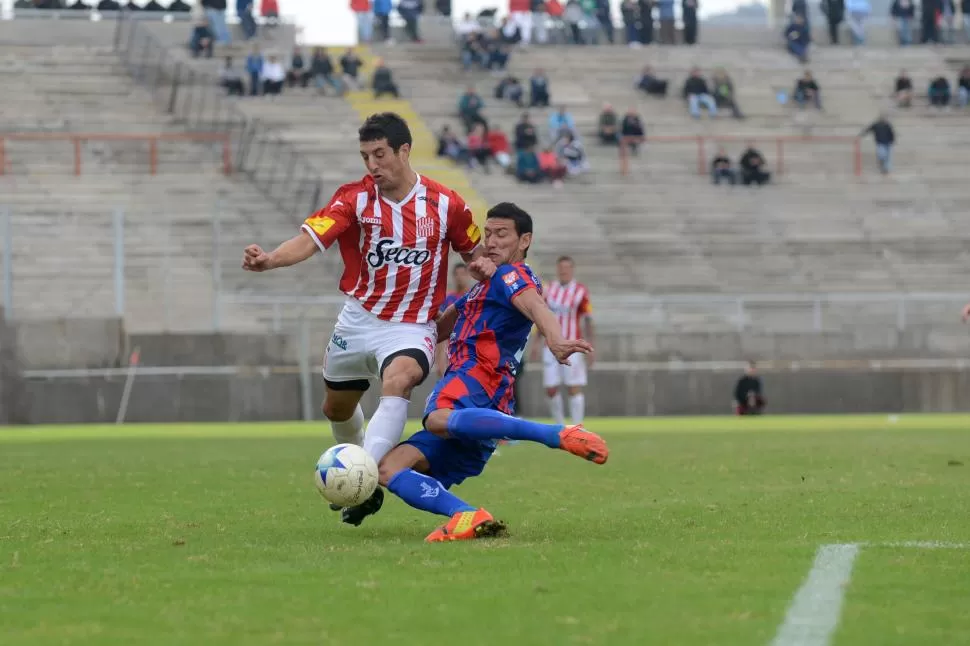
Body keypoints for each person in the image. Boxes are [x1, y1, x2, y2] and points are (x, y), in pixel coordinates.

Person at [241, 113, 488, 525]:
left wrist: (487, 274)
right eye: (365, 156)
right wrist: (270, 260)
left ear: (403, 151)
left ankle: (364, 480)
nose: (372, 164)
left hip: (412, 325)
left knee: (400, 379)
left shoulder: (447, 204)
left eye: (379, 154)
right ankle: (359, 468)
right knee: (336, 410)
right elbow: (310, 240)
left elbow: (477, 257)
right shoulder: (354, 198)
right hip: (358, 320)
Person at [376, 203, 608, 542]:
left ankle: (551, 433)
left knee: (436, 418)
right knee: (388, 468)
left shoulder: (511, 275)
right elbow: (440, 328)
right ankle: (466, 515)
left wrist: (556, 340)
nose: (492, 241)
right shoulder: (482, 285)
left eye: (502, 234)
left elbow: (535, 305)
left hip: (479, 379)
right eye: (488, 234)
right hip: (479, 404)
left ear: (524, 240)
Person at [532, 256, 593, 426]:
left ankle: (577, 426)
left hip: (573, 345)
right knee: (551, 388)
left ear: (572, 270)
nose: (563, 271)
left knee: (573, 387)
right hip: (550, 346)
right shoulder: (549, 290)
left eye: (567, 268)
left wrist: (590, 344)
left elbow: (588, 319)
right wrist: (536, 344)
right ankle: (560, 426)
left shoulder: (581, 291)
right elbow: (541, 318)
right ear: (557, 269)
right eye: (561, 268)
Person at [434, 263, 472, 378]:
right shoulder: (448, 299)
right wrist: (440, 361)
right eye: (456, 274)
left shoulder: (474, 297)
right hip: (452, 349)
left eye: (462, 274)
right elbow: (441, 327)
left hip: (470, 348)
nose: (459, 277)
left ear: (468, 275)